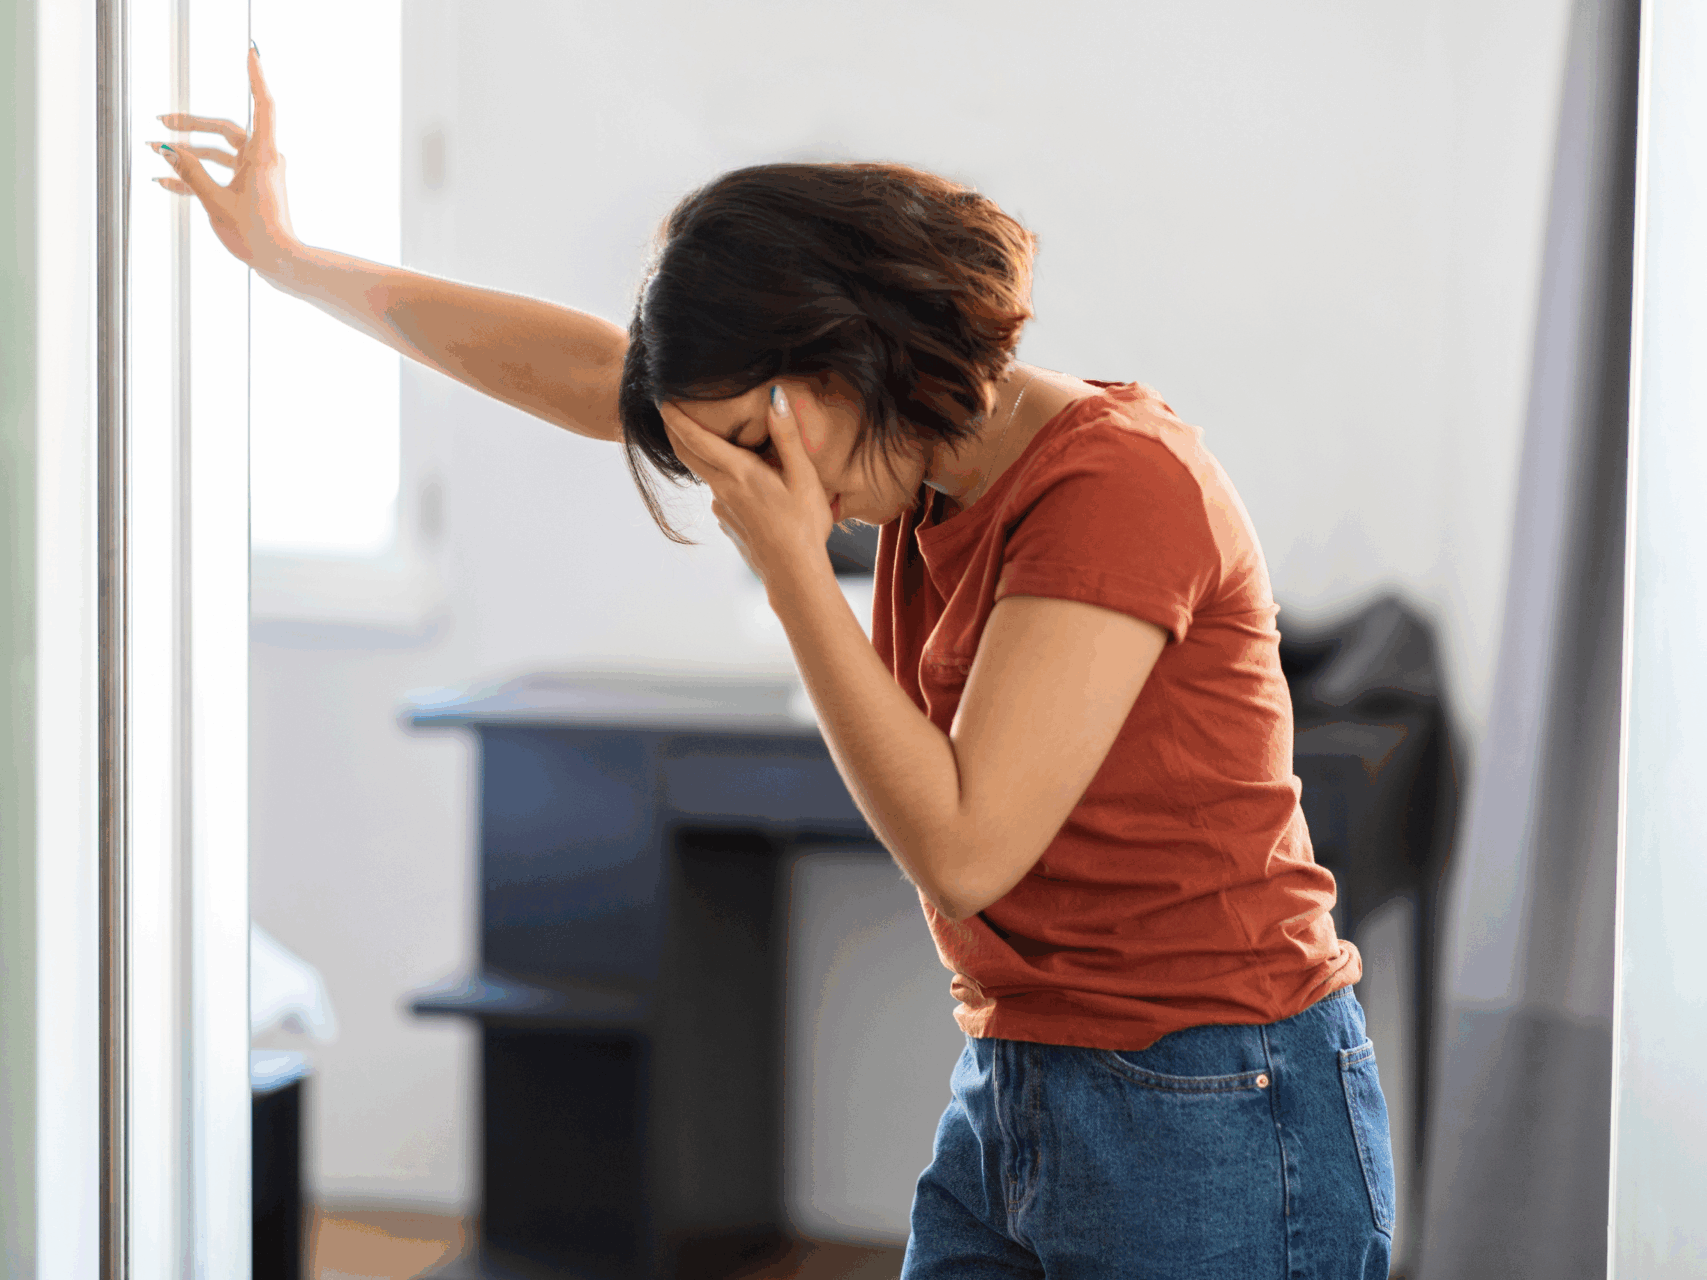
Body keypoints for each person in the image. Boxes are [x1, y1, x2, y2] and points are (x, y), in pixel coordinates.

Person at [156, 46, 1395, 1279]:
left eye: (754, 442)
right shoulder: (924, 465)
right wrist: (290, 260)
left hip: (1219, 1095)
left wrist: (793, 564)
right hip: (1025, 1075)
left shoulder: (1114, 484)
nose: (743, 485)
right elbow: (579, 369)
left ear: (841, 356)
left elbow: (966, 850)